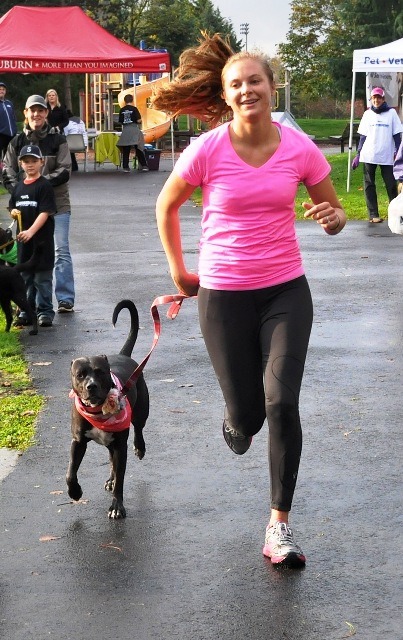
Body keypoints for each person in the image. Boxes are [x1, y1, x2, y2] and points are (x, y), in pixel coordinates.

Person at [153, 34, 347, 568]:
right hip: (222, 295)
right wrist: (180, 272)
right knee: (248, 416)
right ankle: (237, 420)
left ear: (272, 85)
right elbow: (165, 207)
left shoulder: (299, 147)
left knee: (282, 403)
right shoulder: (207, 149)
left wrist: (334, 219)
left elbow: (334, 214)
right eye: (235, 84)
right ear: (225, 93)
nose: (246, 90)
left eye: (255, 81)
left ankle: (278, 526)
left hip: (286, 289)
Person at [2, 94, 75, 314]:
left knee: (61, 250)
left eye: (41, 110)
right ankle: (26, 304)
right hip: (26, 210)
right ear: (25, 113)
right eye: (32, 110)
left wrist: (39, 185)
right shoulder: (16, 141)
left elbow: (65, 169)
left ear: (46, 113)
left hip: (58, 204)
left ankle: (64, 299)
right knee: (27, 254)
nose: (36, 114)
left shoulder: (58, 139)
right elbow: (7, 171)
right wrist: (22, 192)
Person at [9, 144, 56, 327]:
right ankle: (27, 311)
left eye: (34, 161)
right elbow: (13, 206)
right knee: (25, 278)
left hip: (41, 243)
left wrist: (31, 232)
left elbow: (45, 212)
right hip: (24, 244)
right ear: (20, 164)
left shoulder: (44, 186)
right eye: (26, 161)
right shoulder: (18, 187)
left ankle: (45, 311)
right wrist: (13, 211)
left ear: (41, 162)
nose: (30, 165)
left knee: (42, 279)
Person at [352, 86, 403, 223]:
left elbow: (397, 136)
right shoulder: (367, 114)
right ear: (371, 99)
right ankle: (373, 214)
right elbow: (363, 136)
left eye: (379, 97)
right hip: (369, 154)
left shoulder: (391, 113)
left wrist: (399, 154)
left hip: (387, 155)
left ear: (383, 99)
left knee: (391, 184)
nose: (376, 100)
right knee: (369, 184)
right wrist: (358, 155)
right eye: (374, 98)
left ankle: (395, 213)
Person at [116, 94, 149, 173]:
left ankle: (125, 167)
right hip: (134, 129)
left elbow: (120, 122)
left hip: (126, 130)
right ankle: (144, 165)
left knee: (126, 149)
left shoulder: (122, 110)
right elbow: (138, 120)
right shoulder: (134, 109)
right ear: (132, 100)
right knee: (138, 147)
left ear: (125, 101)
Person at [0, 80, 17, 160]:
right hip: (1, 134)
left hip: (11, 135)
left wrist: (15, 130)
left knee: (9, 157)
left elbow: (13, 117)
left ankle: (7, 172)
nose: (1, 91)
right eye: (0, 89)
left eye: (3, 89)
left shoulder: (9, 103)